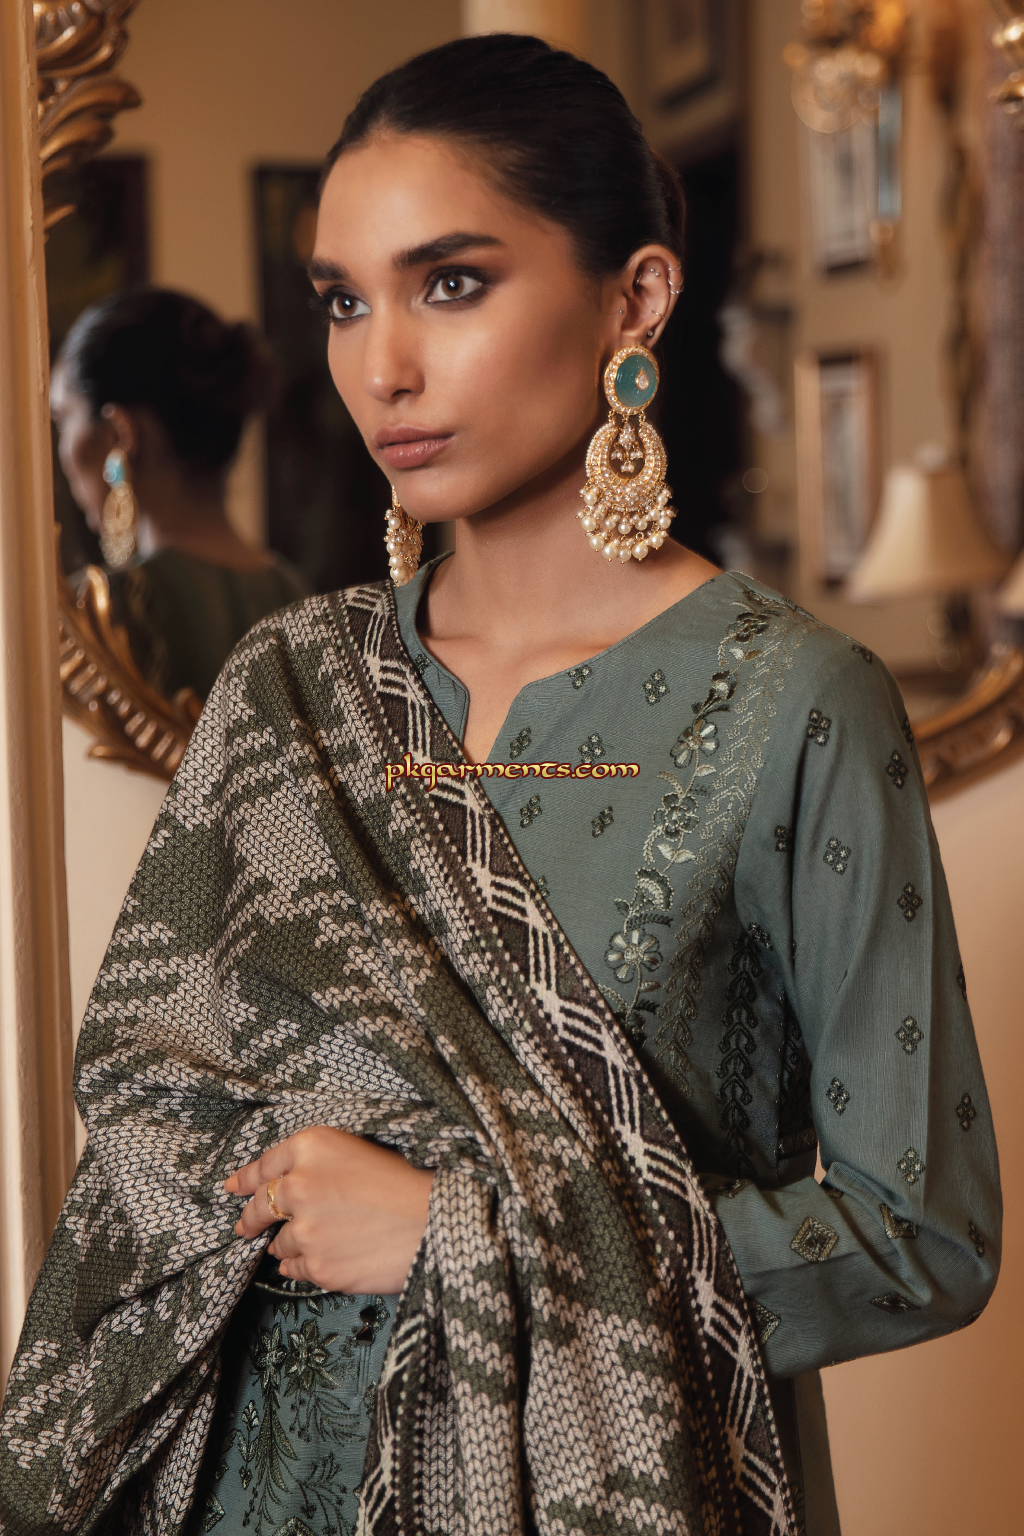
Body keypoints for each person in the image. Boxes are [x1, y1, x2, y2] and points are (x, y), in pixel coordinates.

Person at [1, 34, 999, 1536]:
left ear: (635, 298)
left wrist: (462, 1234)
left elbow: (919, 1236)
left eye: (451, 283)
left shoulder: (795, 705)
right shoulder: (288, 684)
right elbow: (150, 1126)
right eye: (344, 301)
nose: (380, 367)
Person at [51, 287, 306, 701]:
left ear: (119, 434)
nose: (61, 452)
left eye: (63, 418)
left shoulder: (97, 615)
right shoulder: (298, 598)